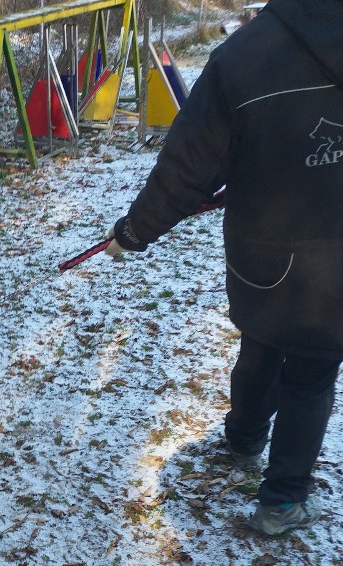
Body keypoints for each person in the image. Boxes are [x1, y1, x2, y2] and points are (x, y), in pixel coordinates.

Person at [104, 0, 343, 536]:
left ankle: (244, 439)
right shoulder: (240, 55)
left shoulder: (243, 56)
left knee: (262, 340)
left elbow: (190, 164)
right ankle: (281, 499)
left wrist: (135, 231)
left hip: (264, 253)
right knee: (312, 372)